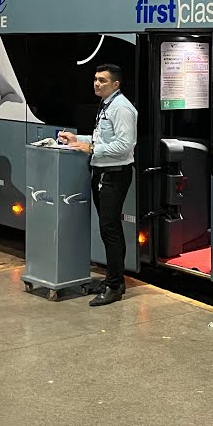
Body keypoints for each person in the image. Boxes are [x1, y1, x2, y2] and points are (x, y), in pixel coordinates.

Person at [57, 63, 137, 306]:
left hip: (114, 175)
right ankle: (114, 280)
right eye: (95, 79)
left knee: (109, 229)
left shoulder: (121, 108)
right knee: (109, 229)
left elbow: (125, 145)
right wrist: (77, 139)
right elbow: (101, 138)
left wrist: (91, 148)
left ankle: (114, 286)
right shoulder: (107, 105)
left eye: (102, 80)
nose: (97, 83)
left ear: (116, 84)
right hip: (103, 173)